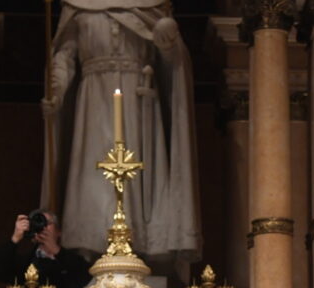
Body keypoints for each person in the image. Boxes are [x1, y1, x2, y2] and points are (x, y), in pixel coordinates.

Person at [40, 0, 200, 268]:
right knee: (92, 173)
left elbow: (171, 64)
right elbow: (64, 56)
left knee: (137, 173)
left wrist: (167, 44)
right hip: (93, 102)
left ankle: (139, 249)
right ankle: (88, 252)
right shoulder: (78, 5)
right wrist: (56, 91)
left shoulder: (153, 5)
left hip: (139, 103)